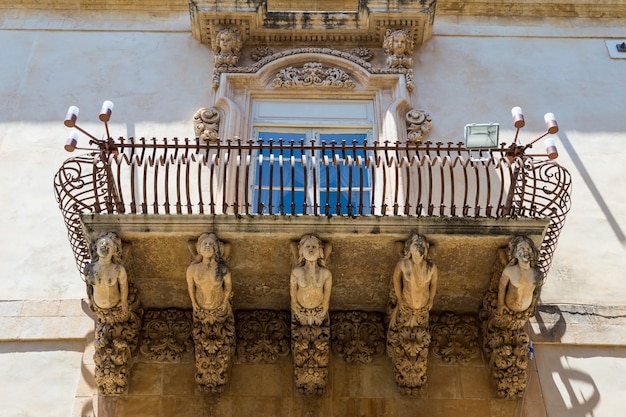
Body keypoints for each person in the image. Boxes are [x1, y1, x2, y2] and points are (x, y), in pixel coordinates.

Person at [85, 232, 129, 319]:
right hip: (98, 308)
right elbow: (89, 287)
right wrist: (90, 301)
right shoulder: (89, 268)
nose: (104, 246)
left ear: (114, 250)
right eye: (101, 243)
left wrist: (124, 303)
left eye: (108, 244)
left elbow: (124, 286)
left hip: (116, 306)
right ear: (96, 248)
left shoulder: (118, 269)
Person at [290, 235, 332, 326]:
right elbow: (293, 289)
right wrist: (294, 302)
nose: (311, 249)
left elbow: (327, 290)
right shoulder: (297, 272)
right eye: (307, 247)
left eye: (314, 247)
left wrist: (325, 302)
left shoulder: (325, 273)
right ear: (301, 252)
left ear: (320, 252)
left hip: (319, 312)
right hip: (301, 311)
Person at [392, 234, 438, 314]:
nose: (417, 259)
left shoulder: (431, 267)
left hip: (424, 302)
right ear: (410, 250)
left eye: (419, 257)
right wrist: (399, 299)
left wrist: (431, 300)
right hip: (406, 301)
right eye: (415, 256)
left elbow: (434, 283)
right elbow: (396, 280)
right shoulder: (403, 264)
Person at [186, 233, 232, 313]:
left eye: (211, 244)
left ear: (216, 249)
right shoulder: (192, 269)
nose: (207, 245)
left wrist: (225, 302)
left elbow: (228, 287)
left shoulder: (223, 269)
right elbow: (191, 286)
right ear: (199, 249)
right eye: (205, 243)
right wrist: (193, 302)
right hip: (200, 305)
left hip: (219, 305)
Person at [497, 236, 540, 314]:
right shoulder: (509, 271)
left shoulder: (537, 273)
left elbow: (536, 291)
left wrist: (532, 306)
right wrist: (501, 304)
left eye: (528, 248)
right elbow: (501, 288)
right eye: (521, 248)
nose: (525, 251)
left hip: (526, 308)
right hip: (509, 306)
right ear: (515, 254)